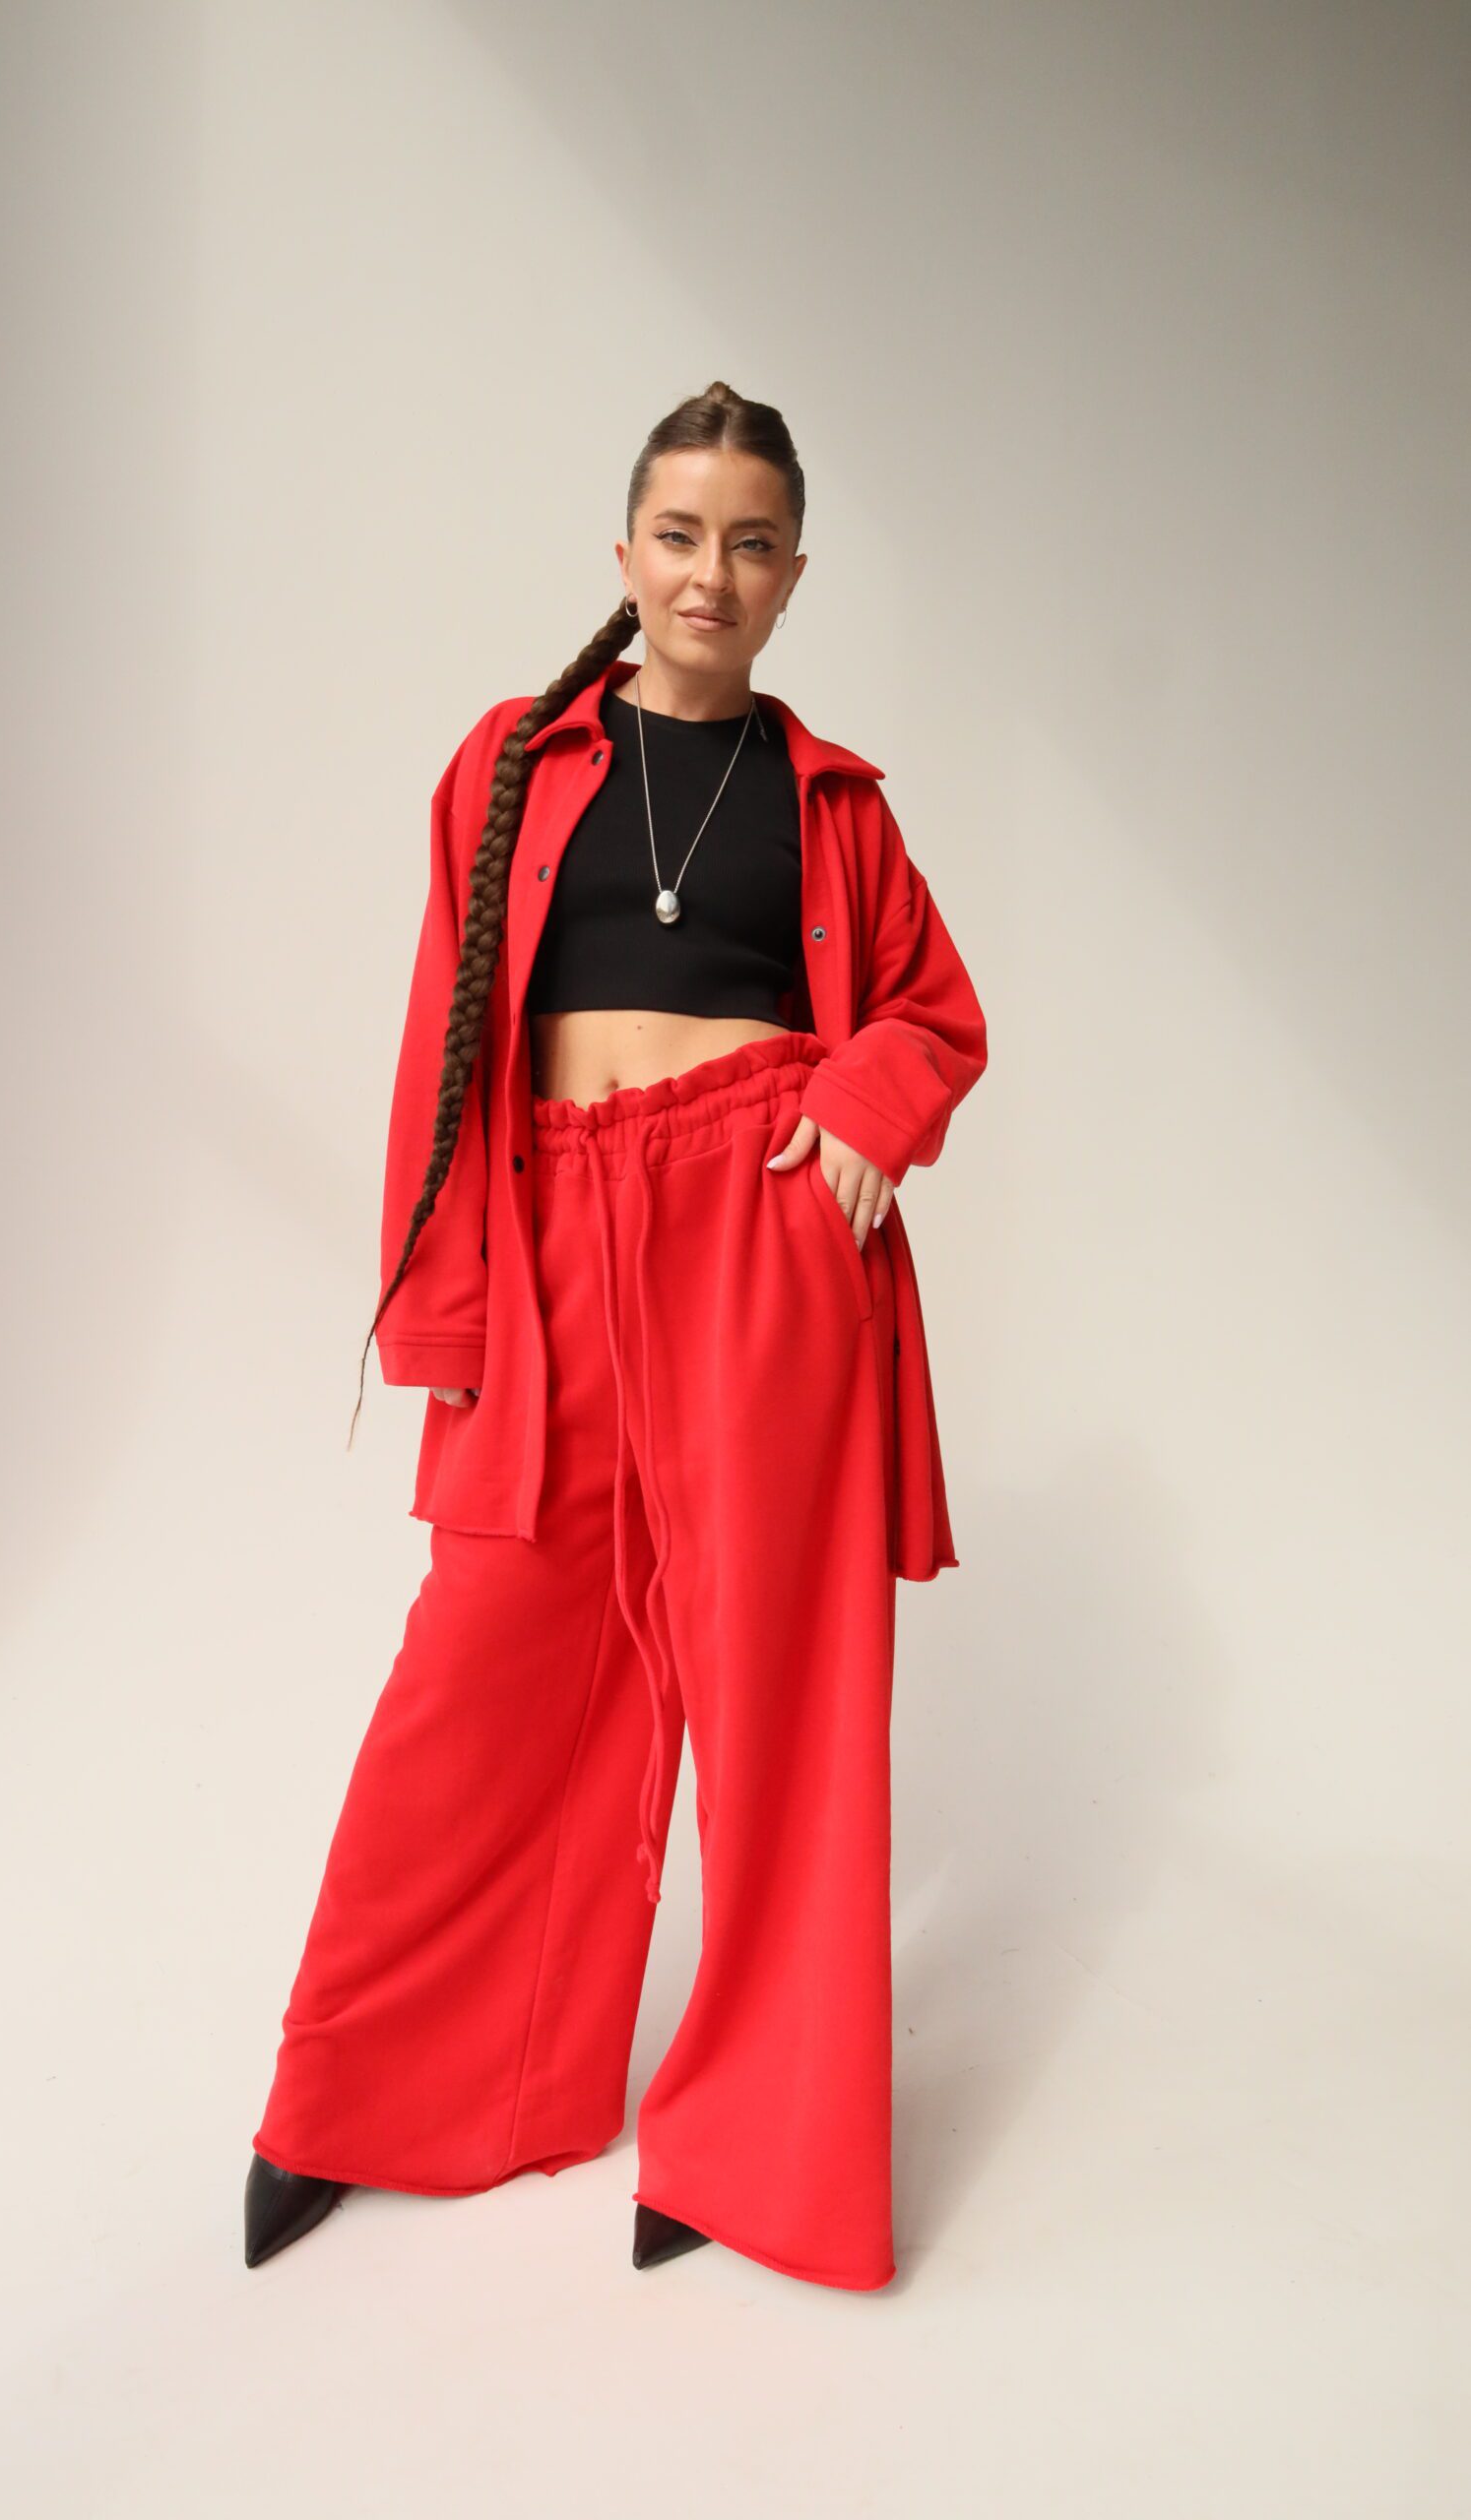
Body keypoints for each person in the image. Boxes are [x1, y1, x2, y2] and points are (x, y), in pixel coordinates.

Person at [244, 380, 988, 2292]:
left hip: (762, 1235)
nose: (711, 571)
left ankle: (757, 2157)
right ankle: (392, 2096)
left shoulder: (837, 806)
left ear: (794, 574)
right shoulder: (510, 767)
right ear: (625, 551)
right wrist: (447, 1311)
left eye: (751, 542)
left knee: (780, 1701)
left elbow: (932, 1011)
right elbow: (442, 1040)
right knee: (488, 1659)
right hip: (557, 1231)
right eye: (680, 533)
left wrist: (860, 1119)